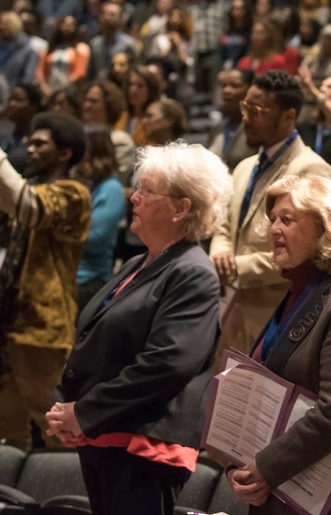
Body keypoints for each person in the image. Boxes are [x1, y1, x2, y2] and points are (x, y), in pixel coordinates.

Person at [45, 142, 232, 515]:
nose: (135, 197)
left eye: (148, 190)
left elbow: (166, 364)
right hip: (105, 436)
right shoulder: (136, 264)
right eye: (138, 187)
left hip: (145, 447)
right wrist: (68, 406)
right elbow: (93, 341)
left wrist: (84, 411)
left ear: (182, 208)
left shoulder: (193, 273)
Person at [225, 174, 331, 514]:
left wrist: (266, 467)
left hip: (325, 499)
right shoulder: (301, 293)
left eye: (287, 219)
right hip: (282, 491)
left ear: (324, 229)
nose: (273, 230)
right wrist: (242, 466)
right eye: (272, 220)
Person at [209, 70, 331, 367]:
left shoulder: (313, 171)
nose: (245, 118)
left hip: (278, 316)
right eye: (245, 108)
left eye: (256, 111)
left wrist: (236, 268)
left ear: (288, 116)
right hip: (232, 312)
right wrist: (220, 252)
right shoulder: (244, 165)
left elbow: (305, 252)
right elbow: (224, 225)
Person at [0, 113, 91, 450]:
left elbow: (32, 207)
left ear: (64, 153)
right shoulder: (34, 188)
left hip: (43, 329)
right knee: (7, 427)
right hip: (12, 322)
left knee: (54, 426)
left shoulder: (74, 193)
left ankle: (69, 496)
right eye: (30, 142)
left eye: (40, 144)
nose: (30, 149)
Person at [71, 125, 127, 312]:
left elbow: (96, 241)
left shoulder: (111, 189)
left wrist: (59, 228)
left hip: (90, 279)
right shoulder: (90, 185)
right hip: (73, 273)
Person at [82, 80, 136, 185]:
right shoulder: (78, 135)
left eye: (94, 101)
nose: (87, 105)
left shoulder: (120, 140)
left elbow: (116, 179)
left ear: (109, 105)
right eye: (86, 100)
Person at [207, 68, 259, 170]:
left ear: (250, 90)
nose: (226, 90)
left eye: (234, 86)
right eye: (224, 86)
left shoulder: (258, 128)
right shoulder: (217, 128)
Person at [35, 15, 90, 97]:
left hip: (71, 93)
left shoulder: (81, 48)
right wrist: (47, 91)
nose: (67, 26)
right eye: (64, 23)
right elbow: (40, 73)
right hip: (49, 91)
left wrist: (62, 91)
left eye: (71, 24)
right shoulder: (48, 49)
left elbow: (80, 73)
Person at [189, 0, 229, 94]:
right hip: (197, 53)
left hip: (215, 51)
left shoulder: (223, 4)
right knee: (198, 88)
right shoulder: (192, 7)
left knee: (216, 87)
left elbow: (229, 26)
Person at [87, 2, 138, 81]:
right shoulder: (95, 43)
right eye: (104, 13)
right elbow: (91, 73)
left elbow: (135, 71)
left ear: (121, 18)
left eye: (112, 14)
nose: (107, 17)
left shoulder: (128, 44)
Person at [0, 83, 43, 175]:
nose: (11, 104)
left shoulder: (36, 138)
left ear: (33, 106)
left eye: (18, 100)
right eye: (10, 99)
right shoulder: (8, 133)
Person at [125, 66, 162, 147]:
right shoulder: (122, 116)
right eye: (130, 85)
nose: (133, 90)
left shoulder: (155, 120)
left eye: (140, 86)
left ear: (151, 90)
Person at [0, 12, 38, 88]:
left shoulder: (28, 51)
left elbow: (27, 79)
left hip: (14, 94)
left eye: (5, 24)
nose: (1, 27)